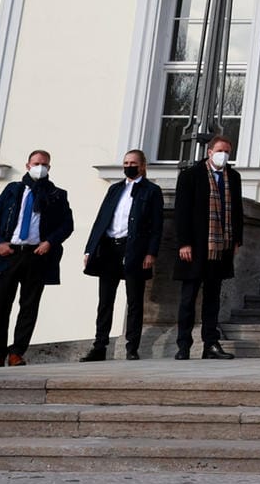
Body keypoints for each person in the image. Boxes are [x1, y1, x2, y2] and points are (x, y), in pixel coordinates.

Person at [0, 150, 75, 368]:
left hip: (36, 255)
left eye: (44, 164)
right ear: (27, 165)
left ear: (49, 168)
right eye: (36, 163)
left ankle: (17, 352)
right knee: (1, 305)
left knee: (29, 306)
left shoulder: (57, 194)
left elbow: (66, 225)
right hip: (9, 254)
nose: (39, 167)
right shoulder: (13, 190)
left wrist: (49, 242)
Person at [81, 149, 165, 362]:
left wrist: (151, 253)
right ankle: (100, 346)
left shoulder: (151, 191)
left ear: (143, 166)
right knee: (105, 300)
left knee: (135, 300)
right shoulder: (115, 189)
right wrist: (90, 249)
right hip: (109, 247)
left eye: (133, 162)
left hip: (134, 248)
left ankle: (132, 347)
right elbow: (101, 220)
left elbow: (157, 226)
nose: (129, 165)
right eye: (126, 162)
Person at [173, 136, 244, 361]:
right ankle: (183, 345)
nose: (224, 154)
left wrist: (236, 240)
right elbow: (181, 211)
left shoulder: (233, 177)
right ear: (210, 151)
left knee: (212, 299)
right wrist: (184, 242)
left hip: (220, 247)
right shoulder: (190, 175)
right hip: (195, 246)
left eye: (228, 151)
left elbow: (237, 210)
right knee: (188, 299)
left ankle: (210, 344)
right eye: (220, 150)